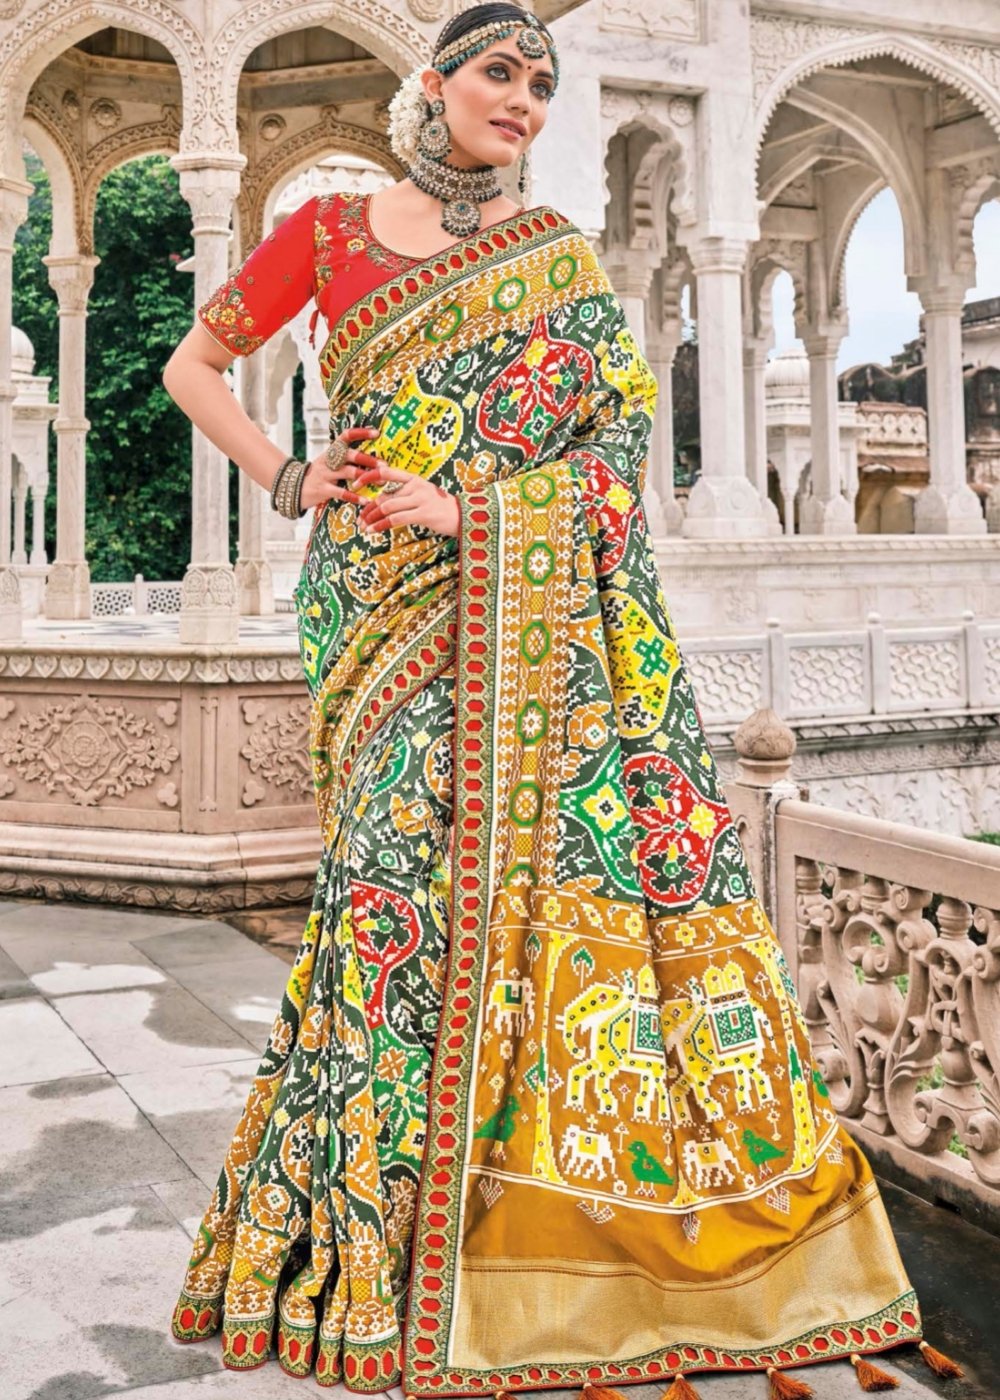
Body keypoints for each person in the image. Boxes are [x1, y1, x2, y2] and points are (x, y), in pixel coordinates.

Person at [163, 5, 965, 1397]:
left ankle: (530, 1231)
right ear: (435, 87)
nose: (522, 100)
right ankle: (376, 1242)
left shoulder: (556, 257)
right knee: (392, 900)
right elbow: (193, 365)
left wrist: (470, 508)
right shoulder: (332, 234)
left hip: (524, 606)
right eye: (498, 73)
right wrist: (290, 478)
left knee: (538, 887)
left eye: (539, 83)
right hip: (379, 616)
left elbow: (613, 451)